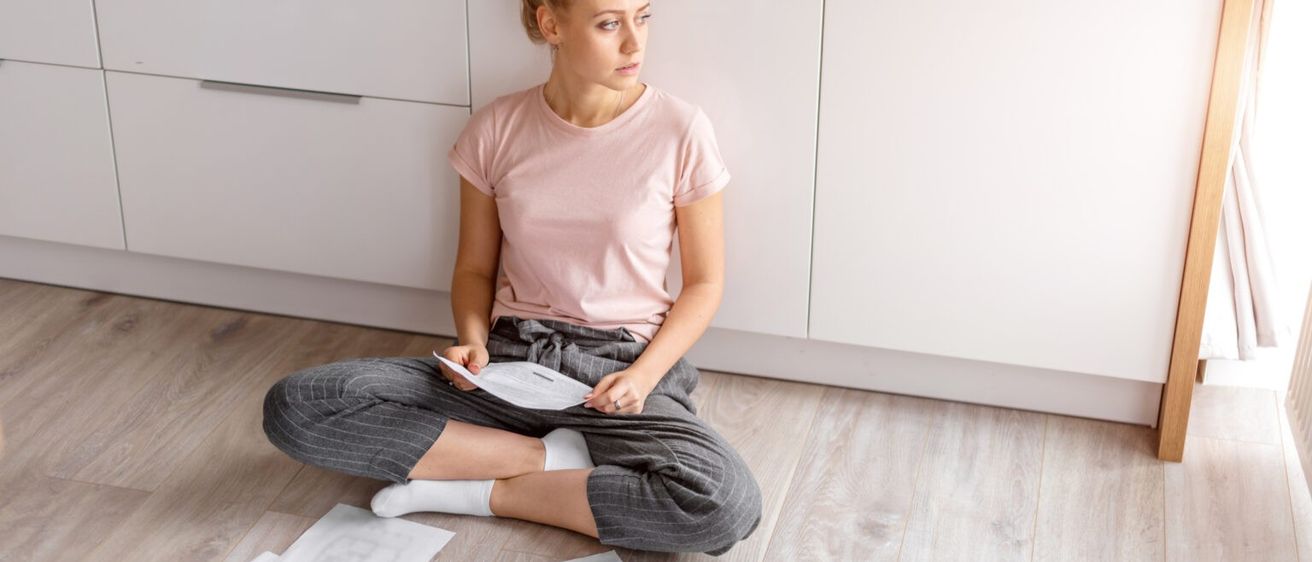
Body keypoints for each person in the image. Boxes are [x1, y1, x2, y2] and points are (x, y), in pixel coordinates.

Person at [261, 0, 762, 555]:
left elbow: (704, 284)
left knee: (725, 504)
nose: (634, 42)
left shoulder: (679, 130)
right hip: (509, 362)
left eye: (643, 17)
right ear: (551, 24)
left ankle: (484, 490)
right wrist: (473, 343)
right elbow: (475, 268)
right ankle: (547, 458)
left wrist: (643, 378)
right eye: (609, 23)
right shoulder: (497, 127)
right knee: (298, 404)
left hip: (619, 373)